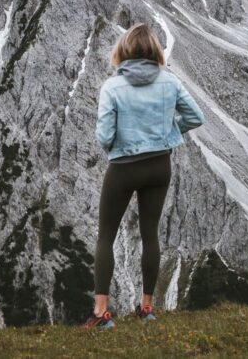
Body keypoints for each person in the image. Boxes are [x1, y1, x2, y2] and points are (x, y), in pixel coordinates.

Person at [81, 22, 205, 329]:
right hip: (159, 165)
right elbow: (195, 117)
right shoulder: (170, 81)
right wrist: (167, 134)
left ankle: (101, 314)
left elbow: (104, 137)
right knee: (150, 235)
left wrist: (119, 143)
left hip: (124, 167)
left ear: (123, 50)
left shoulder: (113, 86)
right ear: (154, 51)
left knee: (106, 236)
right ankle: (147, 308)